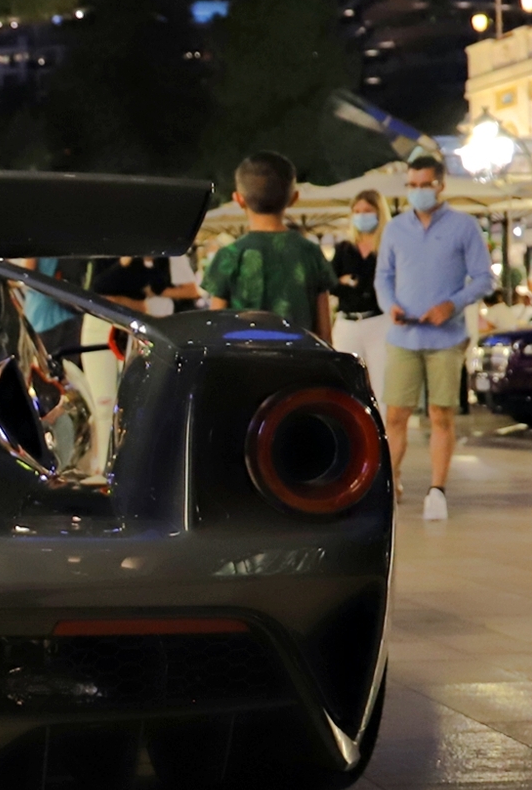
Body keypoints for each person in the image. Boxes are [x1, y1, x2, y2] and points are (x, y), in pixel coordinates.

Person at [374, 152, 494, 521]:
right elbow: (384, 277)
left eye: (424, 185)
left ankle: (437, 490)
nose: (418, 191)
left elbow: (485, 278)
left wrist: (451, 304)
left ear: (440, 185)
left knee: (441, 414)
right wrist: (390, 305)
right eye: (412, 185)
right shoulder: (395, 228)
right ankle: (389, 485)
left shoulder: (463, 226)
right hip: (404, 336)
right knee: (395, 415)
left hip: (445, 337)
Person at [200, 150, 334, 340]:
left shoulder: (229, 255)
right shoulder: (310, 252)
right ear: (294, 198)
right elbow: (325, 335)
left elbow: (215, 329)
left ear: (239, 199)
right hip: (302, 364)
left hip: (245, 364)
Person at [329, 187, 388, 383]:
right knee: (346, 381)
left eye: (367, 211)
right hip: (347, 322)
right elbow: (330, 283)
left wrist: (348, 282)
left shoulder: (387, 248)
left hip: (378, 321)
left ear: (379, 213)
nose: (362, 216)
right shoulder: (344, 249)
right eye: (357, 211)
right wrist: (342, 283)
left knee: (381, 382)